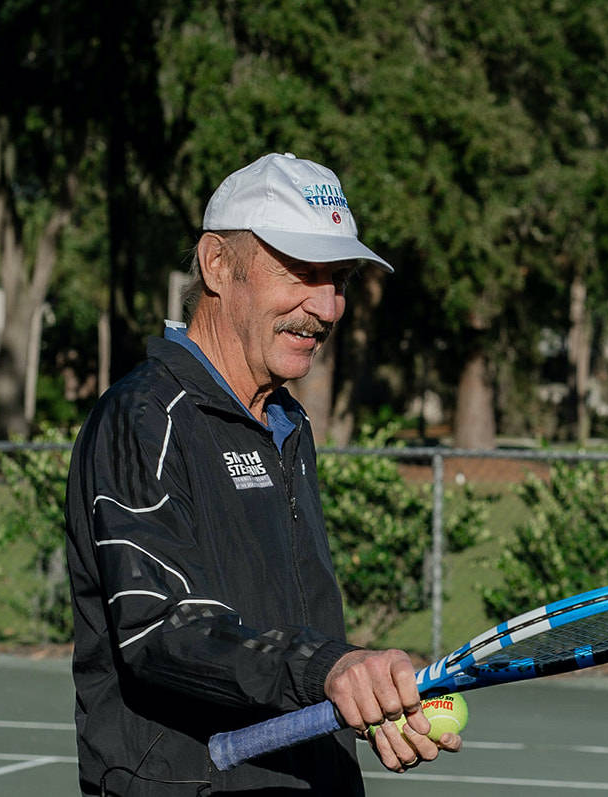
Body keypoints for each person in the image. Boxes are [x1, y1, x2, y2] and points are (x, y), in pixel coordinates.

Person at [65, 152, 461, 796]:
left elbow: (285, 629)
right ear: (218, 264)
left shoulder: (287, 422)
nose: (328, 308)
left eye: (337, 279)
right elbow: (159, 629)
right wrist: (326, 667)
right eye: (302, 273)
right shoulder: (144, 416)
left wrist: (362, 695)